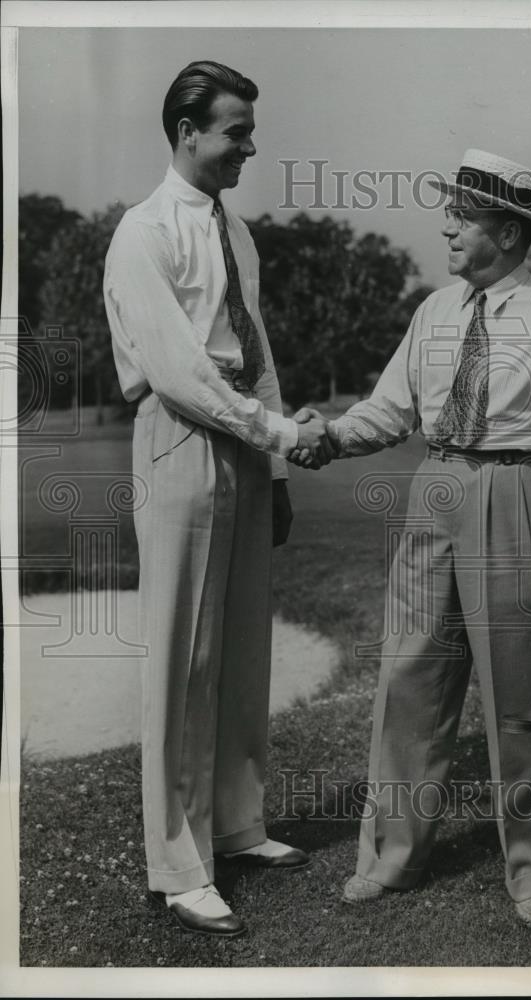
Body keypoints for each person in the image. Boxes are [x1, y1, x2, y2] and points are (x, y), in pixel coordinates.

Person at [291, 149, 531, 924]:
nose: (447, 227)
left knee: (520, 697)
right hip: (436, 485)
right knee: (410, 678)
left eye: (462, 217)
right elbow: (389, 409)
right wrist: (332, 436)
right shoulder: (435, 311)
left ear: (506, 231)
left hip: (520, 492)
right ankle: (393, 857)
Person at [103, 60, 331, 938]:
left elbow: (256, 354)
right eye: (234, 130)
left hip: (240, 441)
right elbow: (179, 371)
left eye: (248, 129)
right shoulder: (142, 232)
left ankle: (236, 826)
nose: (248, 145)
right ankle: (178, 863)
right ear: (187, 131)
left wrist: (272, 469)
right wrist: (275, 433)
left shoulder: (236, 235)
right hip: (181, 434)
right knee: (182, 657)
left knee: (238, 645)